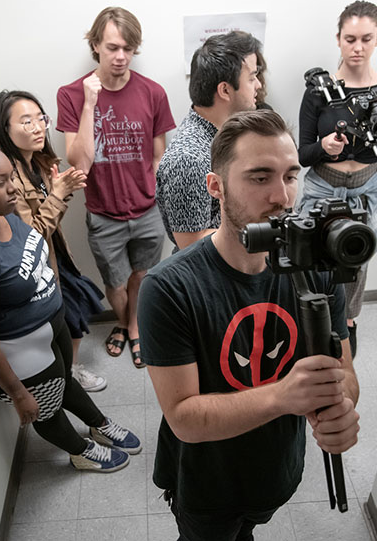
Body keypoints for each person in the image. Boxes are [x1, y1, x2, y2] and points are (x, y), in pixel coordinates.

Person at [139, 110, 360, 540]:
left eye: (291, 176)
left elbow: (343, 375)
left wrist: (341, 406)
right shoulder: (169, 287)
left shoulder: (318, 269)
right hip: (207, 486)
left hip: (278, 472)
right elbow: (184, 417)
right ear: (216, 187)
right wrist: (284, 395)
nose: (282, 196)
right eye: (260, 178)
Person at [0, 127, 141, 472]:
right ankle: (80, 450)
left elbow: (36, 250)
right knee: (46, 406)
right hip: (19, 355)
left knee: (63, 381)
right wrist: (18, 394)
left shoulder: (6, 215)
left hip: (50, 330)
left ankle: (99, 423)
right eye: (0, 182)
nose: (12, 188)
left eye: (11, 177)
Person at [57, 6, 175, 368]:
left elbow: (159, 156)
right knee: (116, 282)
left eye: (128, 48)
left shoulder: (153, 93)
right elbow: (79, 163)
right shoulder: (72, 95)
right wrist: (91, 105)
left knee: (142, 276)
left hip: (148, 210)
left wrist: (156, 200)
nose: (121, 57)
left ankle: (133, 327)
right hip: (103, 213)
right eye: (112, 48)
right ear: (95, 45)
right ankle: (123, 324)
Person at [297, 0, 377, 356]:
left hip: (366, 185)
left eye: (366, 38)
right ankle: (311, 315)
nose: (357, 47)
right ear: (338, 39)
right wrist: (325, 147)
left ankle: (349, 320)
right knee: (308, 253)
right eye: (350, 38)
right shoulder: (319, 91)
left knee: (358, 253)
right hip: (322, 182)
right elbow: (301, 154)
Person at [0, 90, 106, 393]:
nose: (38, 127)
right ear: (5, 130)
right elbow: (33, 237)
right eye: (25, 122)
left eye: (40, 118)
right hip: (38, 265)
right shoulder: (9, 178)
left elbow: (47, 218)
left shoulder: (38, 162)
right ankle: (67, 378)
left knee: (77, 311)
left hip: (57, 255)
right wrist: (59, 194)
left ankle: (70, 371)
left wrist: (61, 191)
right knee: (70, 317)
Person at [155, 31, 263, 250]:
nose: (258, 85)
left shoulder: (223, 135)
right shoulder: (187, 159)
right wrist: (259, 229)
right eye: (251, 78)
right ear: (225, 90)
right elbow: (191, 244)